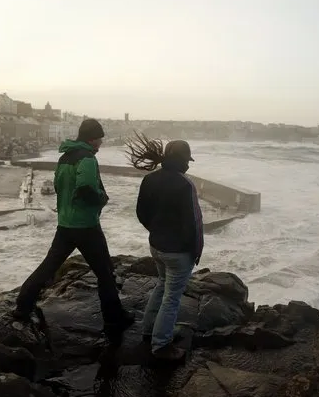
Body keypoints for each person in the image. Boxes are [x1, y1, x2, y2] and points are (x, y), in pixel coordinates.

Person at [13, 118, 134, 344]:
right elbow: (87, 187)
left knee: (48, 266)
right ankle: (114, 320)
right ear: (91, 138)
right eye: (99, 138)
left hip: (65, 224)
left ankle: (22, 305)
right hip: (86, 226)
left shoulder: (64, 158)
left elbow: (59, 188)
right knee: (105, 273)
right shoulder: (87, 159)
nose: (101, 143)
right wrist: (101, 200)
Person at [125, 133, 204, 360]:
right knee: (171, 297)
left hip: (156, 246)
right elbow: (194, 223)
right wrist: (195, 251)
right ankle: (161, 345)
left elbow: (141, 212)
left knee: (161, 286)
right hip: (178, 252)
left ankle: (149, 331)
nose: (189, 165)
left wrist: (156, 231)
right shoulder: (185, 184)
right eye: (188, 160)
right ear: (181, 160)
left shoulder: (150, 179)